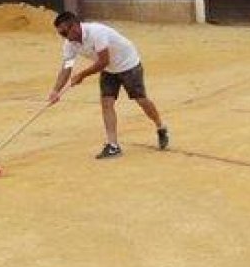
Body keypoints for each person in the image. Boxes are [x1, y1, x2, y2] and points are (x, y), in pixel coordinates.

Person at [48, 11, 168, 159]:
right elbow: (67, 67)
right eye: (61, 34)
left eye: (65, 32)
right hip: (109, 70)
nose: (64, 37)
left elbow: (103, 61)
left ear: (75, 27)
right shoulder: (70, 44)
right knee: (106, 103)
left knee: (141, 100)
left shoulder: (97, 32)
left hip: (128, 64)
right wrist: (55, 90)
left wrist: (82, 75)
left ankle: (160, 126)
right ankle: (113, 145)